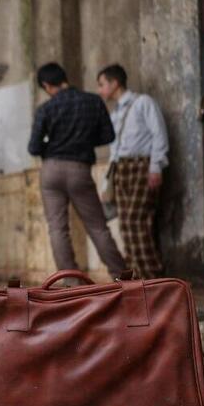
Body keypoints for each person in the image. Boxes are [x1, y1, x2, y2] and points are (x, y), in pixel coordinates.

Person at [27, 62, 126, 278]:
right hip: (80, 170)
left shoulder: (45, 109)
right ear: (65, 78)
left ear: (46, 85)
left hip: (51, 170)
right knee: (97, 227)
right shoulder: (93, 101)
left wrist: (51, 147)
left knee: (57, 228)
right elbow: (108, 136)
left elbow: (33, 147)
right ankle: (122, 276)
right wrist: (85, 141)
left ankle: (71, 282)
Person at [97, 63, 169, 279]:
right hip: (122, 170)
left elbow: (159, 134)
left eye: (102, 84)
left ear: (114, 83)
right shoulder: (114, 114)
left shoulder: (142, 103)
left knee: (138, 221)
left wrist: (156, 167)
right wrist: (106, 182)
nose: (100, 90)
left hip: (141, 167)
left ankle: (153, 277)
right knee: (126, 226)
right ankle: (137, 279)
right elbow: (114, 151)